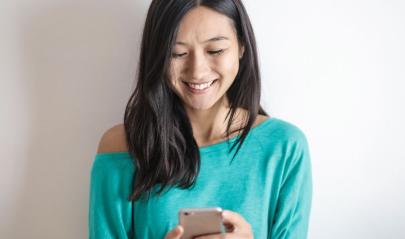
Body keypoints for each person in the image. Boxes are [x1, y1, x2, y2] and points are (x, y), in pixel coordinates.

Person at [88, 0, 312, 238]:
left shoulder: (284, 147)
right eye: (178, 53)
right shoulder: (121, 147)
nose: (197, 71)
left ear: (242, 47)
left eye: (215, 50)